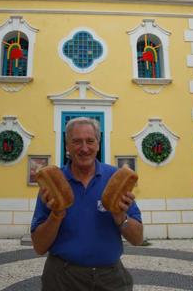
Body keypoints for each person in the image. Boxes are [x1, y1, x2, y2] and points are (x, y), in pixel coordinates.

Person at [31, 117, 143, 291]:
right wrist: (56, 214)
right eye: (76, 142)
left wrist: (120, 217)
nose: (84, 148)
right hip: (62, 278)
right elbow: (39, 246)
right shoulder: (52, 186)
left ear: (98, 144)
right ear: (67, 146)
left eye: (90, 141)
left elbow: (137, 239)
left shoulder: (116, 179)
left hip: (111, 278)